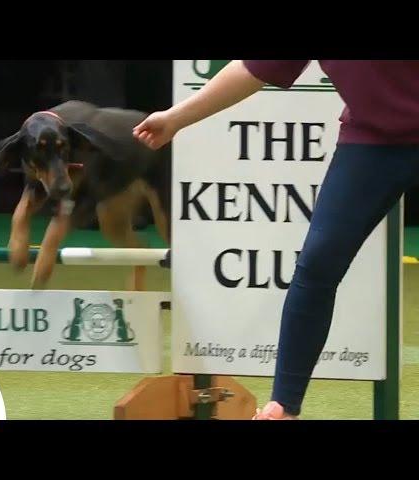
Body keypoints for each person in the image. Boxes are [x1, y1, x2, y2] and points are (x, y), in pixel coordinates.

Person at [133, 60, 419, 420]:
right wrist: (175, 118)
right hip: (373, 143)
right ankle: (283, 406)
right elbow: (253, 69)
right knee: (317, 263)